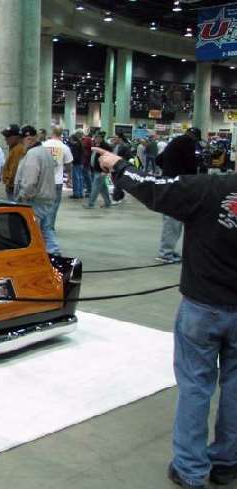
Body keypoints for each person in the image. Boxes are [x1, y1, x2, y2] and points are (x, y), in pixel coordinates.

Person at [95, 147, 237, 489]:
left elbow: (152, 188)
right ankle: (227, 461)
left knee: (195, 386)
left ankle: (190, 470)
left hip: (203, 307)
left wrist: (118, 166)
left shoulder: (208, 188)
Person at [155, 127, 200, 263]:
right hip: (178, 185)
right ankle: (165, 253)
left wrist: (170, 170)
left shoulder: (174, 141)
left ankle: (168, 251)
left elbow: (159, 160)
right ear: (195, 137)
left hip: (167, 182)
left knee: (172, 219)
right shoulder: (189, 143)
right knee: (173, 220)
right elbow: (191, 166)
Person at [13, 125, 60, 255]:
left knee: (33, 231)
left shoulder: (33, 154)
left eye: (22, 140)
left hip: (35, 199)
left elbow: (30, 180)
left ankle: (47, 255)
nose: (22, 143)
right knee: (46, 229)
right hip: (47, 197)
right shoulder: (44, 152)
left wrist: (23, 196)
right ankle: (53, 253)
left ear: (28, 139)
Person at [43, 127, 74, 231]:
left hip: (43, 181)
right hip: (57, 181)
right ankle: (49, 228)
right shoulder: (64, 147)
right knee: (54, 206)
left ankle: (42, 228)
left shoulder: (43, 145)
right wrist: (69, 178)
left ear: (51, 133)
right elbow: (69, 165)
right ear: (61, 134)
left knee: (42, 205)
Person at [83, 133, 113, 209]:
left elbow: (109, 160)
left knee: (95, 187)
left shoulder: (106, 147)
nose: (95, 139)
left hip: (101, 171)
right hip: (96, 170)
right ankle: (108, 202)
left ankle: (90, 204)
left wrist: (105, 171)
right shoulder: (96, 145)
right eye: (95, 137)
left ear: (101, 138)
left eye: (96, 137)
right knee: (103, 188)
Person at [0, 124, 26, 200]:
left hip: (13, 187)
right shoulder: (14, 147)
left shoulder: (18, 149)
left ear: (16, 137)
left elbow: (15, 169)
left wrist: (9, 183)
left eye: (8, 136)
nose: (5, 139)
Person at [68, 133, 84, 199]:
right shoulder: (80, 144)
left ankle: (76, 194)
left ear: (72, 139)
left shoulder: (75, 146)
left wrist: (71, 161)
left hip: (76, 164)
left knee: (76, 179)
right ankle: (80, 193)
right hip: (80, 163)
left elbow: (74, 156)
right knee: (80, 178)